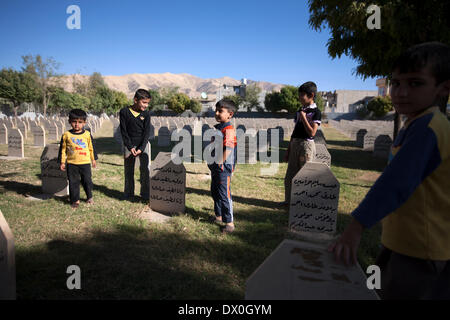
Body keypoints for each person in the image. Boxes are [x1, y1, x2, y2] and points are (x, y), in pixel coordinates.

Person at [329, 42, 450, 299]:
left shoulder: (429, 128)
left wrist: (356, 227)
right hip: (404, 243)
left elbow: (397, 182)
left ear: (444, 87)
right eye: (396, 83)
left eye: (415, 83)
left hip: (421, 252)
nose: (401, 92)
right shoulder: (416, 123)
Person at [282, 81, 322, 206]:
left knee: (305, 175)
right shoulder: (300, 111)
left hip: (306, 146)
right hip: (295, 144)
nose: (299, 98)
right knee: (289, 177)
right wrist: (289, 149)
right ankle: (288, 202)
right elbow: (295, 131)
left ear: (311, 95)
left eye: (302, 95)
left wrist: (304, 117)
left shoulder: (316, 112)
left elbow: (312, 133)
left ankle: (303, 204)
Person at [208, 99, 237, 234]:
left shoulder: (228, 129)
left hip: (223, 167)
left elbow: (229, 148)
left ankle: (229, 223)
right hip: (215, 166)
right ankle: (218, 215)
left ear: (230, 114)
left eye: (221, 111)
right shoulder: (218, 128)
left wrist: (220, 161)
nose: (217, 113)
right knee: (215, 191)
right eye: (216, 110)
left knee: (224, 194)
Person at [59, 109, 98, 209]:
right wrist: (62, 162)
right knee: (73, 182)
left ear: (84, 123)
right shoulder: (66, 135)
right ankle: (75, 200)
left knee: (87, 181)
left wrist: (93, 159)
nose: (77, 125)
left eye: (80, 122)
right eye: (74, 122)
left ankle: (89, 196)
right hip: (72, 163)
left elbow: (91, 148)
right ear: (69, 121)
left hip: (85, 163)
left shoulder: (87, 134)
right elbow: (63, 150)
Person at [119, 89, 151, 201]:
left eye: (147, 103)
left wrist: (141, 148)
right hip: (129, 145)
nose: (146, 105)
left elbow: (147, 133)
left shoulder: (146, 114)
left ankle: (145, 193)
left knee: (145, 170)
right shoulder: (124, 112)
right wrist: (130, 146)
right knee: (129, 170)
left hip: (143, 145)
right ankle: (128, 193)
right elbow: (124, 131)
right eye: (144, 102)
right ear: (136, 100)